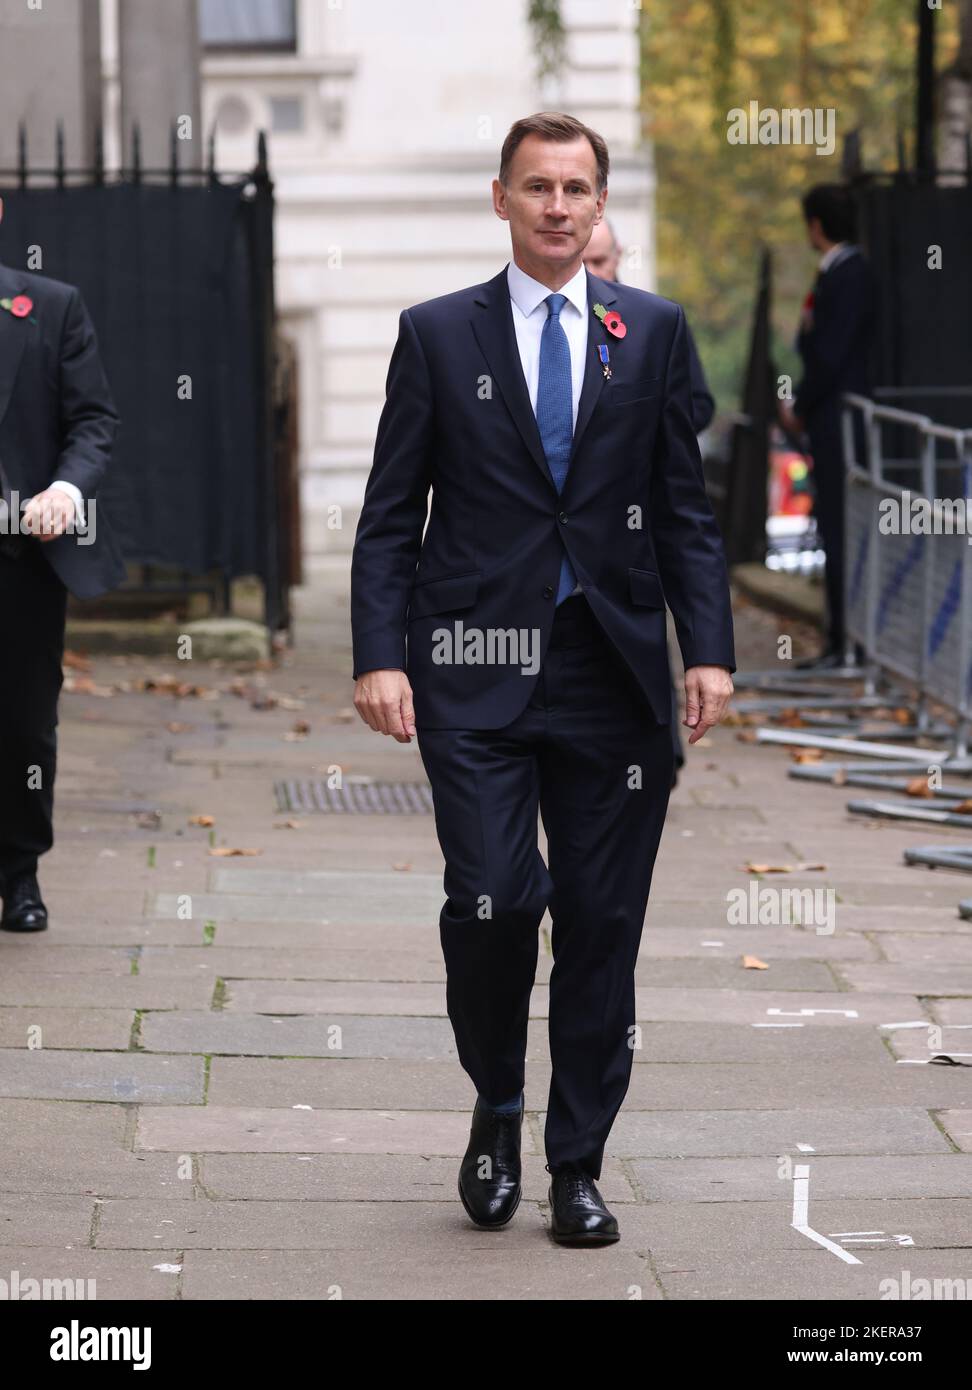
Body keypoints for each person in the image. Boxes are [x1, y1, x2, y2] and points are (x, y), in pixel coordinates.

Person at [351, 112, 734, 1246]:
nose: (558, 206)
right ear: (501, 199)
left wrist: (704, 648)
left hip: (613, 673)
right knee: (496, 898)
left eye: (577, 188)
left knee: (603, 924)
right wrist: (380, 654)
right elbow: (388, 518)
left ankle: (576, 1164)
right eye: (537, 187)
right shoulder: (437, 335)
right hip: (473, 666)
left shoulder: (651, 333)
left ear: (599, 204)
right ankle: (497, 1097)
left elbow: (684, 514)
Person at [0, 197, 124, 932]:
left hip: (20, 559)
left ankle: (19, 874)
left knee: (21, 725)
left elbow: (93, 420)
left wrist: (66, 488)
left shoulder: (48, 305)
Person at [583, 218, 717, 782]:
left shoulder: (653, 323)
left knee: (642, 627)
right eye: (587, 263)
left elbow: (696, 408)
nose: (594, 272)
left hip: (634, 517)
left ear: (617, 260)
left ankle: (661, 735)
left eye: (602, 261)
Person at [779, 183, 875, 667]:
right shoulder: (838, 273)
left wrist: (800, 401)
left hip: (839, 422)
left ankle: (845, 641)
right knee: (834, 529)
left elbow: (829, 353)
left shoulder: (848, 275)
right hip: (831, 418)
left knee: (841, 530)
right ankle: (839, 638)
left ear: (816, 225)